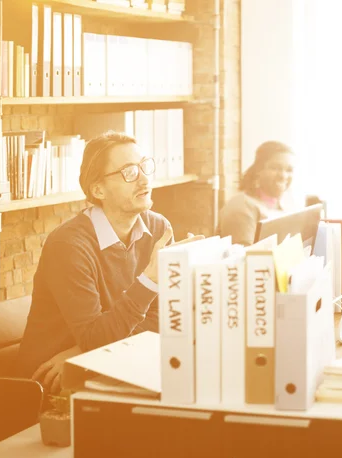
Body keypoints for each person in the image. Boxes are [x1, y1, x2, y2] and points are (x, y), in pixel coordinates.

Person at [16, 131, 201, 393]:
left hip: (110, 361)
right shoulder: (69, 246)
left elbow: (162, 318)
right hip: (54, 383)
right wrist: (149, 281)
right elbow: (96, 337)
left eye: (144, 166)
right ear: (98, 189)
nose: (144, 178)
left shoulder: (158, 228)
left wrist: (83, 348)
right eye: (129, 172)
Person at [218, 141, 297, 246]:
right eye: (275, 168)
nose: (283, 175)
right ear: (258, 170)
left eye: (289, 170)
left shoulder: (286, 204)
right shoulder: (241, 206)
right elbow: (243, 257)